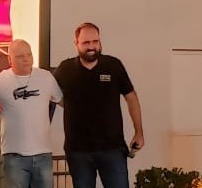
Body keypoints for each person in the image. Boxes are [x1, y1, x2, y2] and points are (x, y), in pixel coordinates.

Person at [53, 22, 144, 188]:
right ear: (76, 44)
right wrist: (69, 105)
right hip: (78, 151)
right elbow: (50, 94)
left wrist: (139, 132)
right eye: (86, 43)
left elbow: (131, 97)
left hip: (113, 149)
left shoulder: (113, 65)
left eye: (95, 41)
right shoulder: (65, 69)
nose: (91, 46)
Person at [0, 39, 63, 188]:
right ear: (10, 59)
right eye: (20, 56)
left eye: (29, 54)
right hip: (14, 155)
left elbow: (63, 101)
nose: (26, 59)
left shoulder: (45, 77)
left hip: (43, 154)